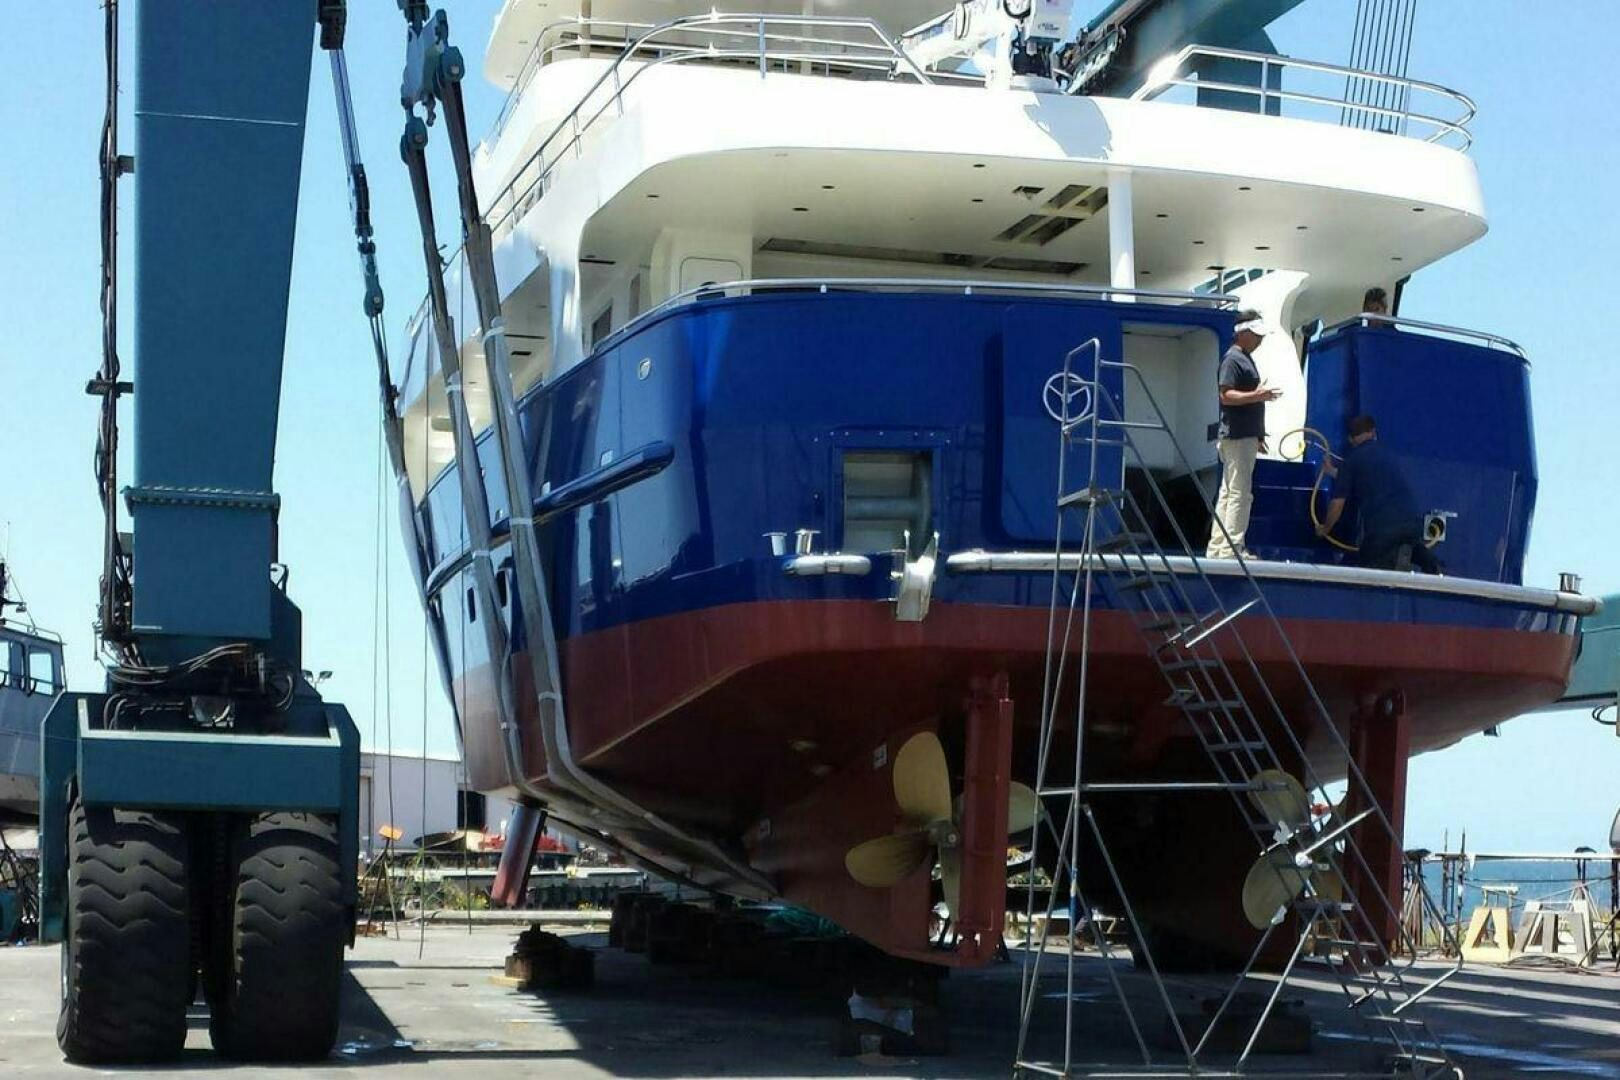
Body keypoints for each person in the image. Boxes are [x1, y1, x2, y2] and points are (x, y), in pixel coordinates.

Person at [1317, 415, 1438, 573]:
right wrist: (1332, 472)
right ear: (1373, 432)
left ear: (1350, 439)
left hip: (1382, 532)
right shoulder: (1386, 454)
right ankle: (1433, 567)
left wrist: (1324, 529)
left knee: (1371, 573)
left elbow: (1337, 504)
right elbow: (1364, 477)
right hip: (1413, 525)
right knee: (1411, 548)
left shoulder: (1352, 460)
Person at [1206, 311, 1280, 559]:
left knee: (1228, 493)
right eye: (1257, 335)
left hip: (1241, 435)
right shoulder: (1233, 360)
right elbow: (1225, 395)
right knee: (1239, 492)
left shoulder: (1241, 358)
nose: (1260, 340)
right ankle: (1232, 548)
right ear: (1243, 332)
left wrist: (1257, 435)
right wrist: (1259, 396)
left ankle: (1218, 547)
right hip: (1238, 437)